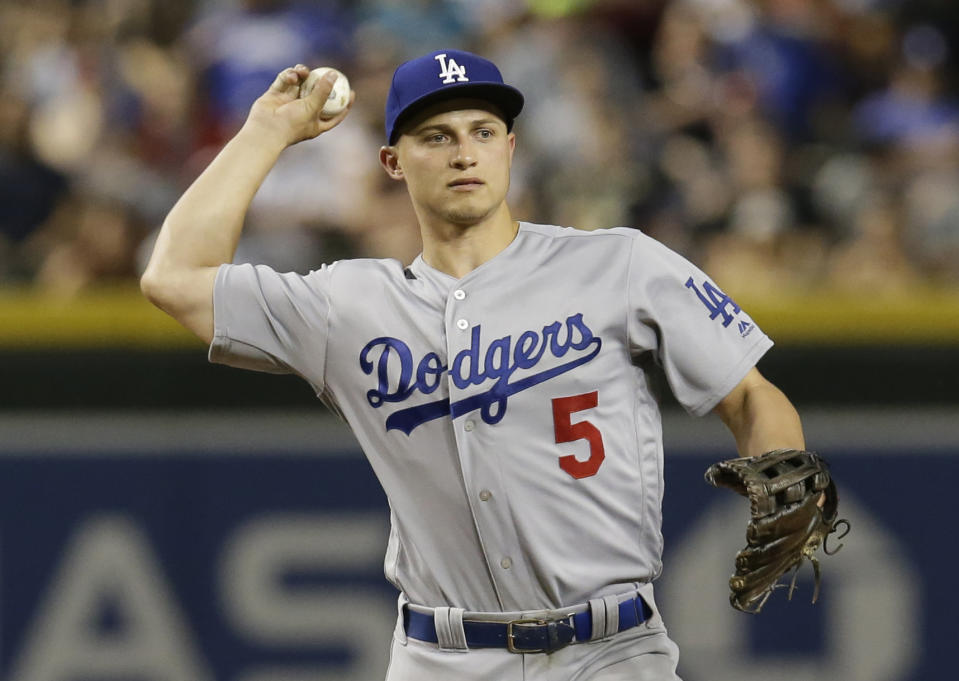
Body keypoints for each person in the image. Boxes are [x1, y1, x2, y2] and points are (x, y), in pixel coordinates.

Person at [142, 49, 807, 681]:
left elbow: (749, 394)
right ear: (392, 161)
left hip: (612, 652)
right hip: (442, 656)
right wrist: (265, 131)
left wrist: (788, 480)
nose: (464, 152)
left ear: (509, 148)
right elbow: (174, 277)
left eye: (483, 131)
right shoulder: (347, 304)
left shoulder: (618, 263)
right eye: (435, 136)